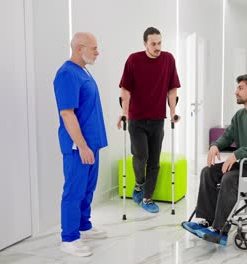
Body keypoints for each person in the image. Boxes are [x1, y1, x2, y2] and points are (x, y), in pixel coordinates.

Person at [182, 74, 247, 245]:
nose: (236, 92)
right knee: (208, 172)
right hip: (244, 164)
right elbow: (227, 136)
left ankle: (220, 230)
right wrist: (215, 145)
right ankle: (207, 221)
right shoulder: (240, 116)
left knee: (229, 179)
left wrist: (238, 154)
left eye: (240, 88)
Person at [54, 32, 108, 257]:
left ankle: (84, 225)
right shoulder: (67, 74)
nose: (98, 52)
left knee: (88, 188)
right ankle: (69, 238)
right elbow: (67, 114)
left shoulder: (83, 71)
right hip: (79, 147)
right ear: (79, 48)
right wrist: (83, 146)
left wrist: (91, 145)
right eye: (94, 48)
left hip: (91, 143)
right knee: (74, 191)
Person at [117, 27, 181, 213]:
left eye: (160, 43)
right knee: (140, 156)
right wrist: (124, 112)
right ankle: (139, 185)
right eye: (153, 43)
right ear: (145, 43)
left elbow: (172, 89)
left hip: (157, 119)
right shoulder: (134, 59)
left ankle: (147, 198)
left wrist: (173, 111)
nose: (157, 47)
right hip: (137, 119)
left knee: (154, 161)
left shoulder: (168, 59)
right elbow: (125, 89)